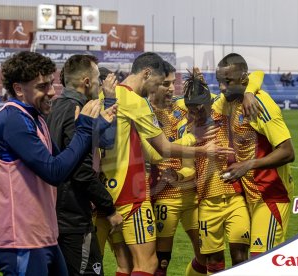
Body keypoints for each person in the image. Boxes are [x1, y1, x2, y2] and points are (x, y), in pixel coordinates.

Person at [96, 52, 233, 276]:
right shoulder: (135, 102)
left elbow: (152, 153)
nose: (162, 88)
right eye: (161, 83)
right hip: (130, 194)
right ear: (147, 74)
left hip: (100, 192)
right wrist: (201, 148)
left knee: (123, 265)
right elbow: (162, 150)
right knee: (148, 264)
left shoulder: (107, 96)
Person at [0, 51, 116, 275]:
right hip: (21, 240)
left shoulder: (36, 119)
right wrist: (84, 129)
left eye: (51, 84)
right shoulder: (13, 119)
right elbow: (53, 172)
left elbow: (65, 164)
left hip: (43, 235)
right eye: (43, 86)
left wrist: (96, 127)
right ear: (19, 89)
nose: (52, 91)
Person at [46, 55, 123, 276]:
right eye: (98, 79)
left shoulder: (56, 107)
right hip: (73, 216)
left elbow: (101, 142)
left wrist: (105, 109)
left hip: (56, 212)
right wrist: (108, 208)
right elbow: (81, 171)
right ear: (87, 81)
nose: (100, 85)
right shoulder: (77, 112)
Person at [214, 53, 295, 258]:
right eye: (219, 82)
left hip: (271, 195)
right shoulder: (229, 101)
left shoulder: (261, 105)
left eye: (228, 81)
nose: (222, 87)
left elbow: (287, 152)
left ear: (243, 78)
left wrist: (248, 165)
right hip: (248, 196)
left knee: (260, 260)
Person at [183, 69, 251, 274]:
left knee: (240, 256)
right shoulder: (190, 129)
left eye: (198, 109)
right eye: (191, 111)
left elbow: (254, 76)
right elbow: (187, 165)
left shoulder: (222, 110)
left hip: (235, 197)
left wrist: (248, 93)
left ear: (208, 103)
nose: (195, 114)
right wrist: (180, 175)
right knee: (213, 260)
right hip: (206, 202)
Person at [145, 62, 207, 276]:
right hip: (165, 197)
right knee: (161, 262)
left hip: (192, 195)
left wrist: (201, 85)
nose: (172, 88)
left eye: (173, 83)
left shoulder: (182, 108)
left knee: (206, 256)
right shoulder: (145, 113)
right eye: (165, 84)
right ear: (152, 84)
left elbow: (204, 103)